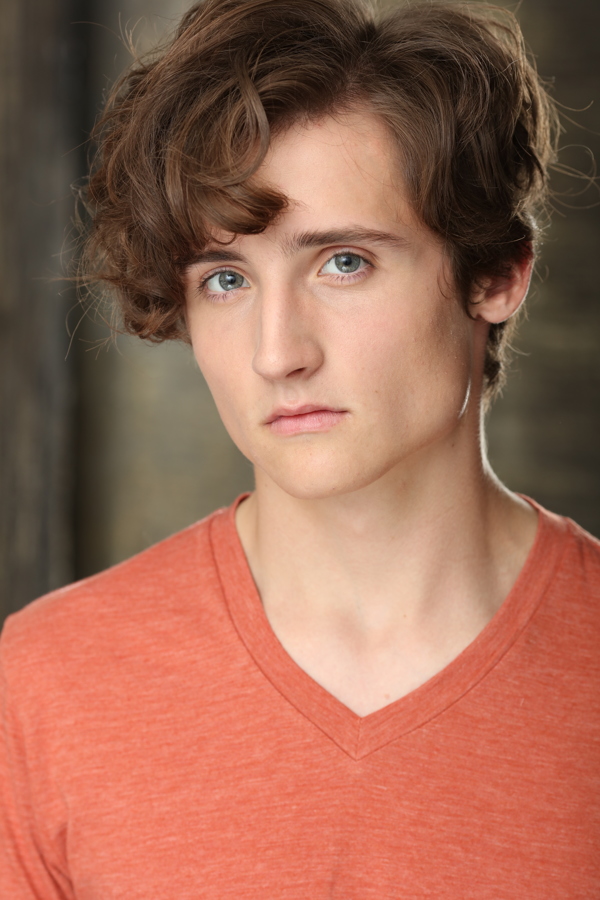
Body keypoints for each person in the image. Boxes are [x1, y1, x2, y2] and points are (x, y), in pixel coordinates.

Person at [2, 0, 599, 896]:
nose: (278, 352)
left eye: (343, 262)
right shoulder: (44, 686)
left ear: (496, 275)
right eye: (228, 279)